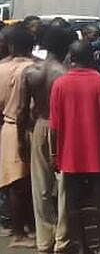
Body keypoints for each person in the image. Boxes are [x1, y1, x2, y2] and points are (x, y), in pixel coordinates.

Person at [50, 41, 100, 254]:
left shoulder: (60, 84)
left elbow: (54, 126)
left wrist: (54, 154)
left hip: (70, 155)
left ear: (71, 58)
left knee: (73, 204)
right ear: (92, 57)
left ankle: (84, 247)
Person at [18, 27, 74, 253]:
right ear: (65, 48)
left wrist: (22, 139)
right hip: (63, 128)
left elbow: (22, 110)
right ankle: (63, 239)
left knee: (40, 186)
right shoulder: (66, 74)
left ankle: (44, 241)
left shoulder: (31, 72)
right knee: (64, 185)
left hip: (39, 125)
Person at [0, 25, 36, 249]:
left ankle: (18, 228)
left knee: (14, 182)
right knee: (27, 183)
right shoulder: (36, 68)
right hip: (31, 127)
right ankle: (20, 232)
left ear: (10, 45)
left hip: (8, 126)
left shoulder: (1, 69)